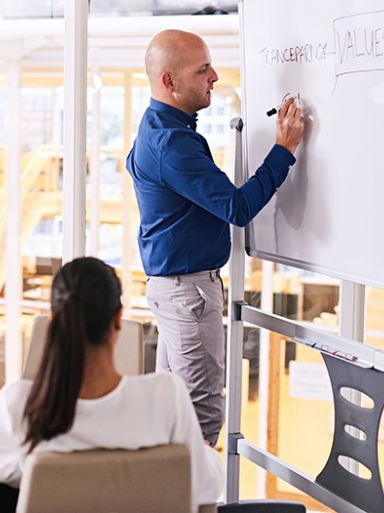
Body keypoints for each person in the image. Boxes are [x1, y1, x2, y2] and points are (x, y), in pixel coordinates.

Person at [126, 30, 305, 445]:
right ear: (169, 82)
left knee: (173, 414)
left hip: (171, 289)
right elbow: (237, 208)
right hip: (187, 294)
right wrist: (284, 149)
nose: (214, 77)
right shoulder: (173, 143)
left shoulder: (156, 124)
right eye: (202, 69)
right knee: (202, 421)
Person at [0, 257, 223, 512]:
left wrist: (40, 469)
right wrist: (204, 454)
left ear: (55, 320)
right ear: (118, 319)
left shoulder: (22, 404)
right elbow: (205, 486)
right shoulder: (166, 397)